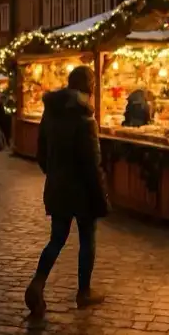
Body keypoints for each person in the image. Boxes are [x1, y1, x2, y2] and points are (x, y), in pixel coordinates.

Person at [25, 66, 109, 317]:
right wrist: (100, 195)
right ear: (89, 86)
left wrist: (55, 174)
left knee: (57, 239)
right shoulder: (85, 118)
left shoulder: (50, 113)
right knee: (87, 239)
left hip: (58, 186)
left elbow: (40, 153)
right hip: (82, 190)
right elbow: (92, 163)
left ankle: (37, 283)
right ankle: (84, 292)